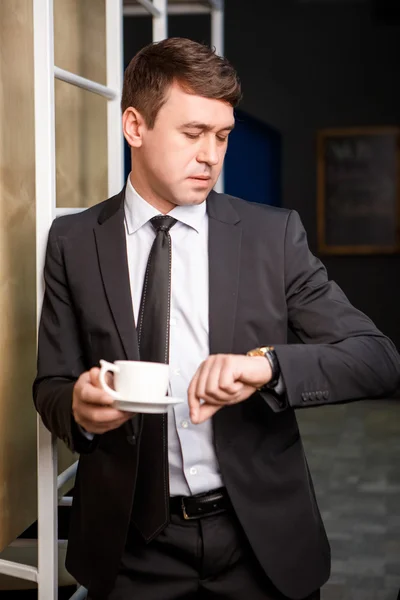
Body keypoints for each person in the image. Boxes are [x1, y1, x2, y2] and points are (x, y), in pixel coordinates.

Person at [33, 37, 400, 600]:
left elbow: (377, 359)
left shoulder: (272, 236)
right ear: (135, 126)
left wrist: (269, 367)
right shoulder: (74, 241)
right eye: (192, 133)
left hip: (259, 541)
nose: (211, 155)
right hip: (130, 547)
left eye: (222, 136)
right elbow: (51, 385)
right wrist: (79, 409)